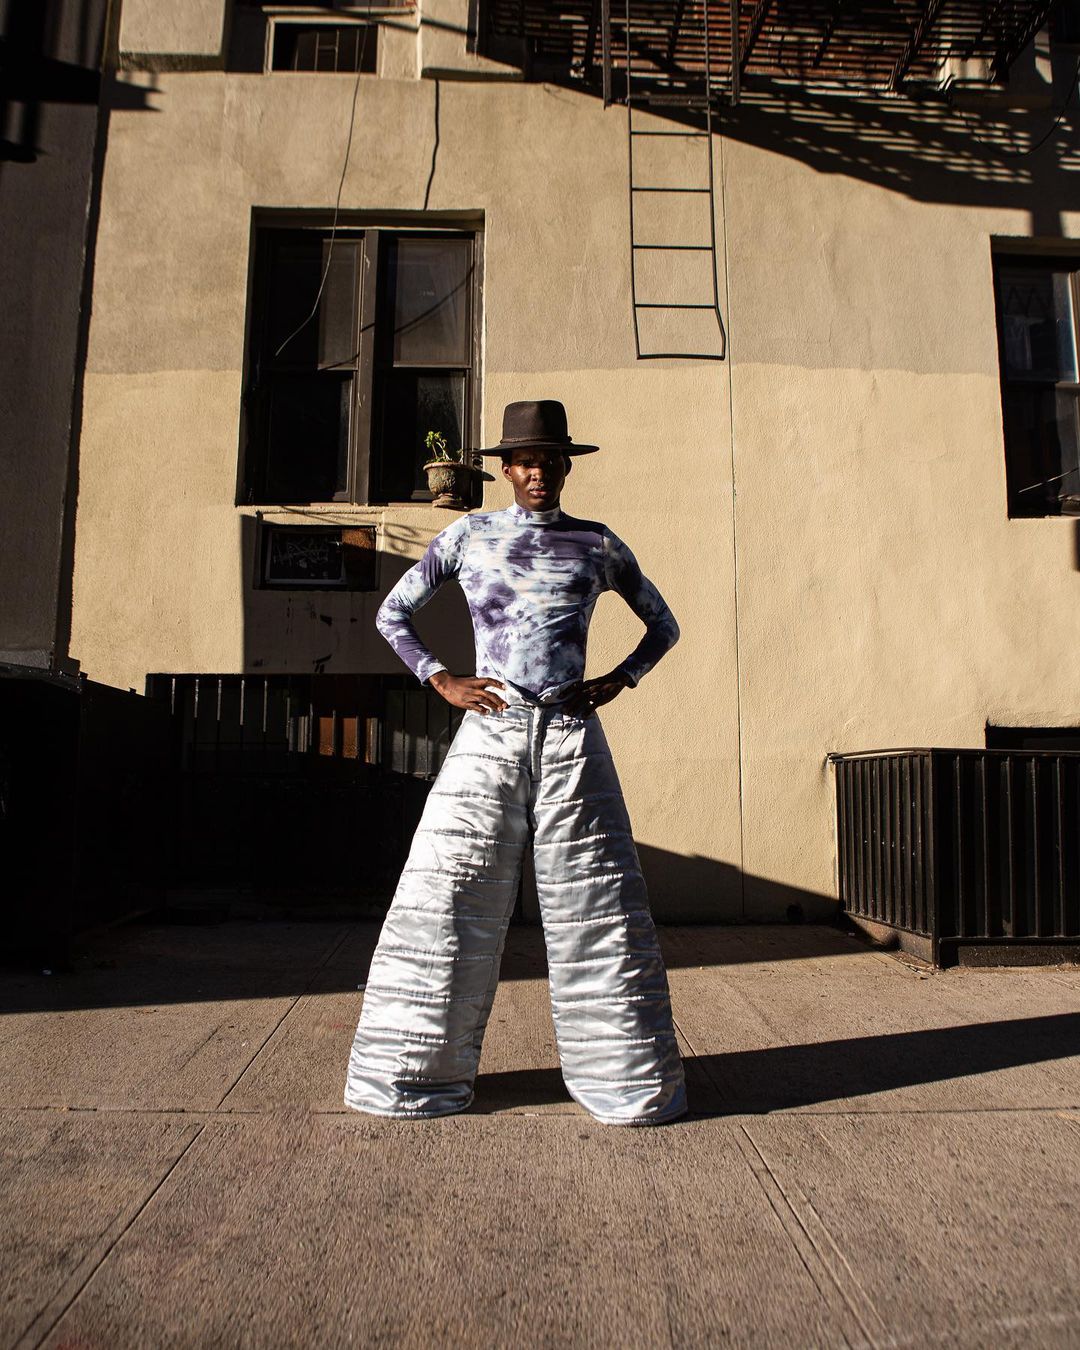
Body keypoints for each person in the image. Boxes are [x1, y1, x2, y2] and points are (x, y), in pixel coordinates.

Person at [344, 399, 686, 1125]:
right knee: (446, 897)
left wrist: (620, 679)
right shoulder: (469, 535)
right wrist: (441, 680)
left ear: (565, 467)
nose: (538, 473)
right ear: (505, 469)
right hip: (491, 730)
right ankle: (408, 1080)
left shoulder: (597, 544)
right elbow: (390, 613)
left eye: (549, 461)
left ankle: (626, 1087)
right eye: (525, 462)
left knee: (602, 908)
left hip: (570, 733)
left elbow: (664, 625)